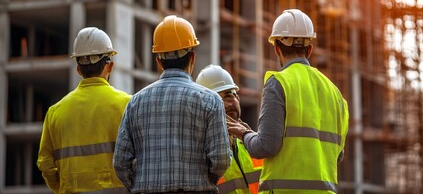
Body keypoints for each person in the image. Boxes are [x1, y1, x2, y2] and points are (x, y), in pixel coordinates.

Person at [227, 9, 349, 194]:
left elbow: (266, 146)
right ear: (309, 50)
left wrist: (244, 134)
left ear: (276, 48)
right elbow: (337, 155)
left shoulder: (279, 83)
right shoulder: (335, 94)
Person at [113, 15, 231, 193]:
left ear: (159, 61)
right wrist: (204, 180)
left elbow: (121, 163)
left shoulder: (135, 103)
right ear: (192, 58)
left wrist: (139, 186)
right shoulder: (211, 101)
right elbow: (221, 160)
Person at [37, 27, 132, 193]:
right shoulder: (127, 104)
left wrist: (62, 189)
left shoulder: (55, 112)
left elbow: (45, 164)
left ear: (78, 69)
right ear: (110, 66)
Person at [196, 64, 263, 194]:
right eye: (217, 100)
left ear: (238, 98)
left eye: (229, 95)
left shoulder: (252, 144)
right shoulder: (201, 154)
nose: (227, 105)